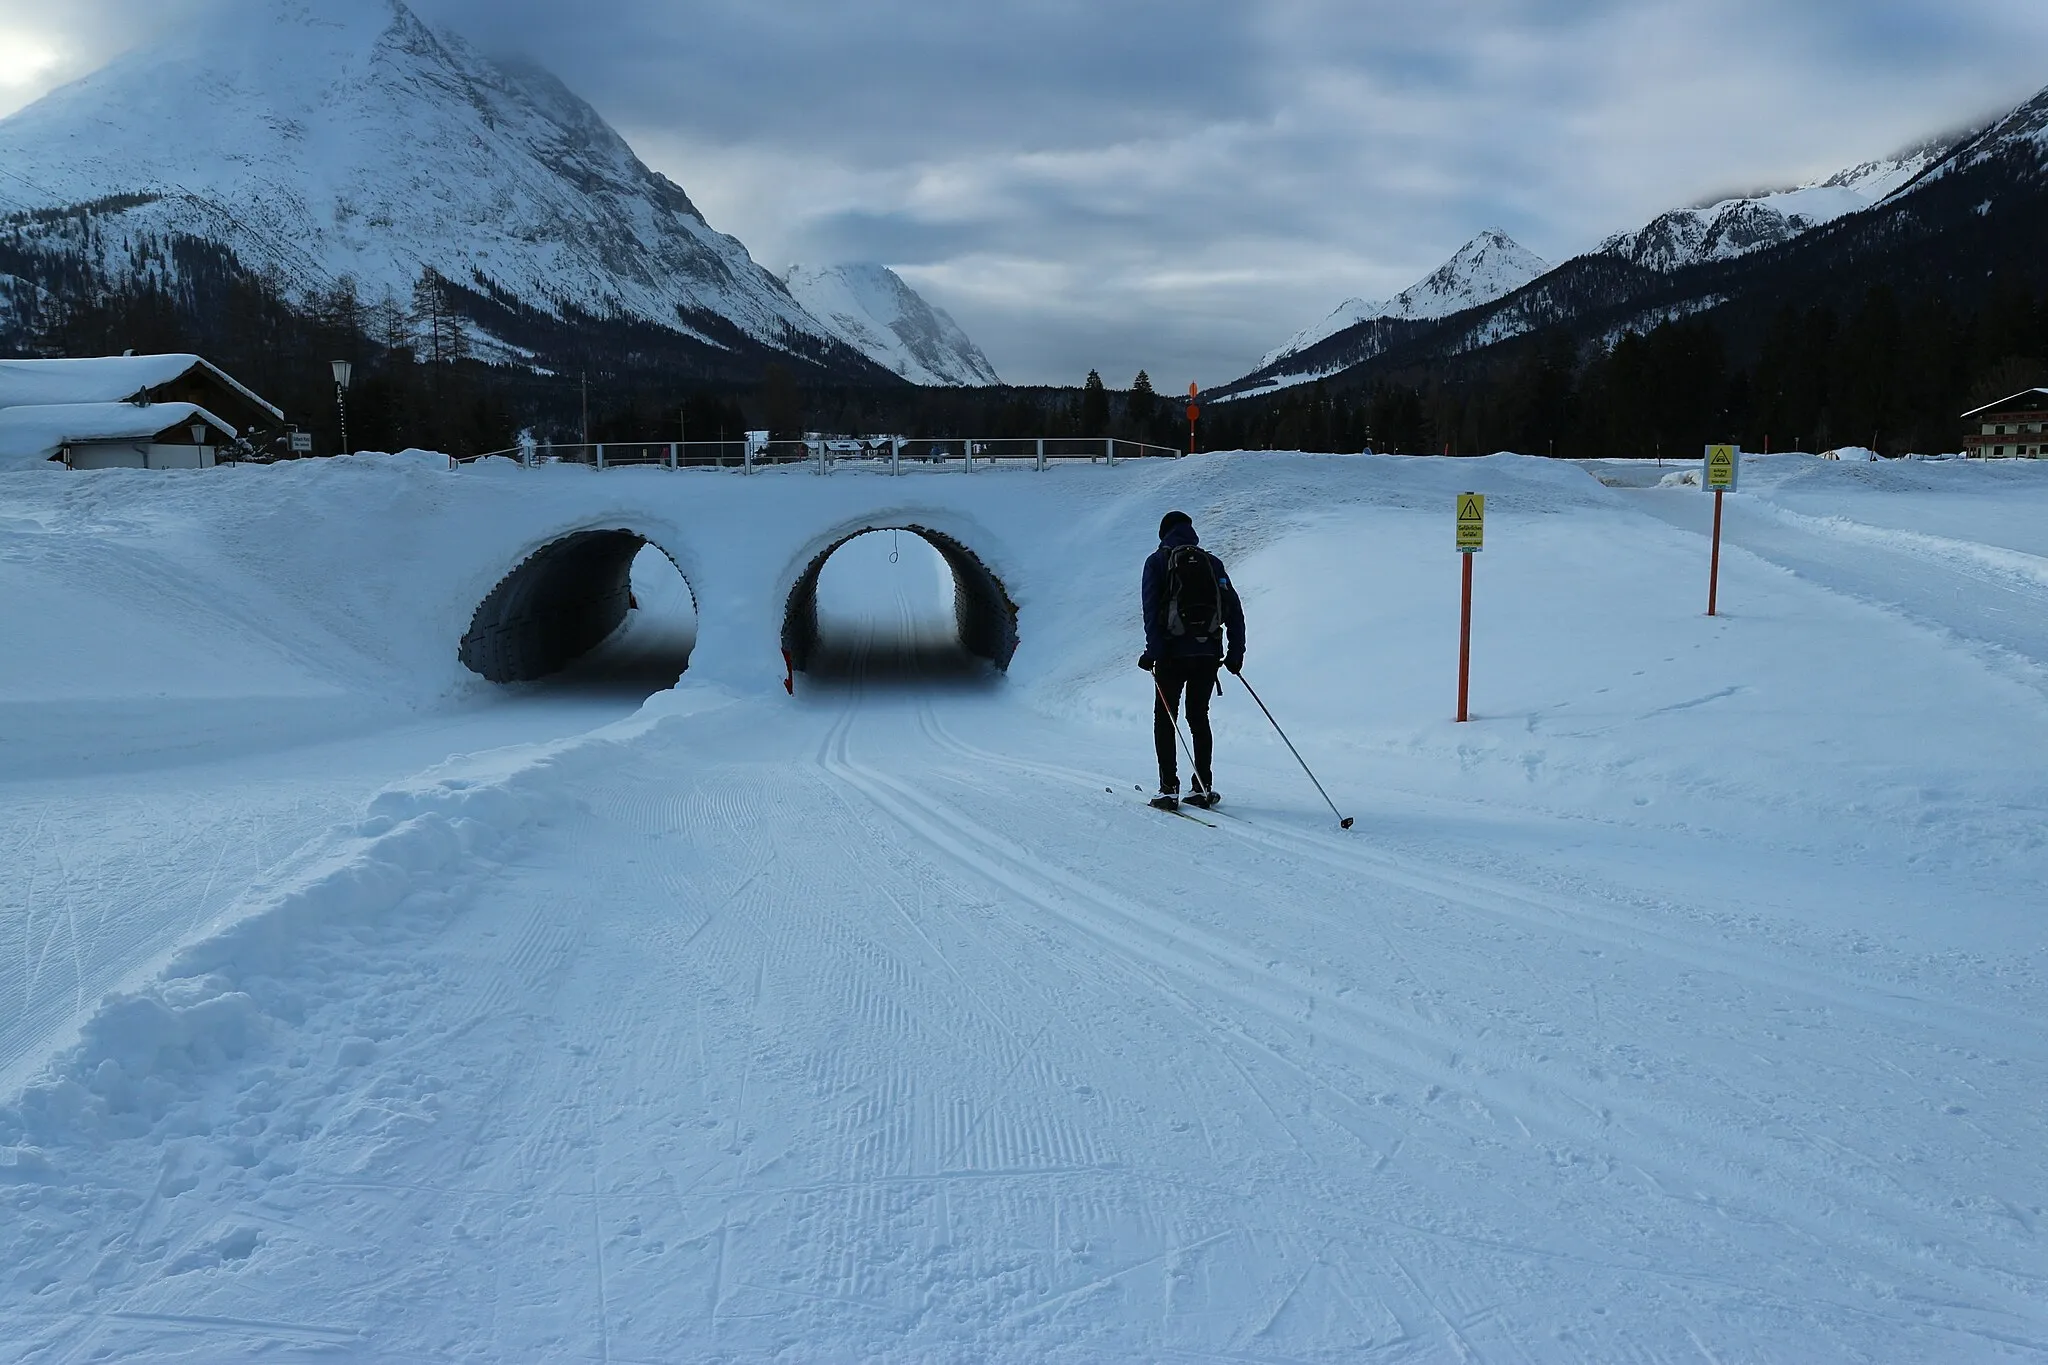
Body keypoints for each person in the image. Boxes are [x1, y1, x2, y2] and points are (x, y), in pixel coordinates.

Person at [1139, 510, 1245, 810]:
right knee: (1198, 717)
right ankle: (1202, 787)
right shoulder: (1211, 563)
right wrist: (1235, 654)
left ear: (1164, 533)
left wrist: (1154, 653)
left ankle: (1168, 789)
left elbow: (1151, 613)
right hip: (1208, 654)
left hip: (1172, 657)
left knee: (1166, 719)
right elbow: (1234, 611)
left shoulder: (1157, 562)